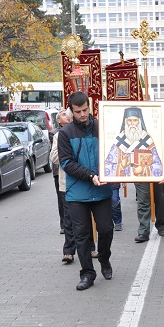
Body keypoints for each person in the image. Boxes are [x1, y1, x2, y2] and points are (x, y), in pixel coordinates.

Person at [57, 91, 113, 291]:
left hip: (102, 190)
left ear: (90, 107)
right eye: (78, 111)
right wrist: (91, 175)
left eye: (85, 110)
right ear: (71, 112)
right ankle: (87, 273)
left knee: (106, 229)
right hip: (77, 192)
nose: (82, 114)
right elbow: (66, 163)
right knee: (82, 235)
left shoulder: (101, 127)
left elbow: (114, 152)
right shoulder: (65, 133)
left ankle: (105, 260)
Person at [104, 107, 164, 179]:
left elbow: (158, 165)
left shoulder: (147, 140)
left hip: (143, 184)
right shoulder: (119, 140)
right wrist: (121, 166)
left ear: (139, 121)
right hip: (123, 183)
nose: (132, 124)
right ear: (126, 122)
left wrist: (144, 170)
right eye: (129, 121)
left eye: (135, 120)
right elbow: (107, 166)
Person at [51, 108, 75, 262]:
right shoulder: (59, 135)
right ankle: (69, 251)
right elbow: (53, 158)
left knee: (86, 217)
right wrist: (66, 152)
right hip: (66, 182)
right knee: (68, 218)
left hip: (85, 181)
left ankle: (91, 247)